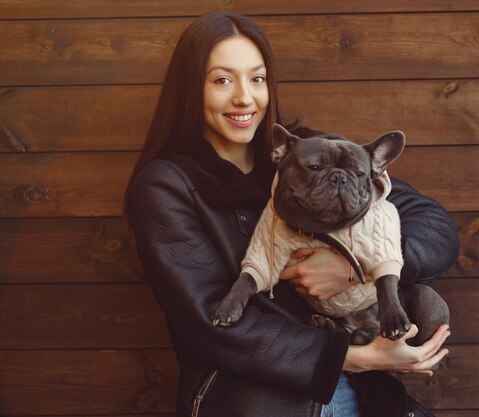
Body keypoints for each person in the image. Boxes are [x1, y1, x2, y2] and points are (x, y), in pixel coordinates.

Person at [125, 11, 459, 417]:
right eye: (222, 80)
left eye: (257, 78)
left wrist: (353, 267)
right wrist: (356, 357)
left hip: (364, 390)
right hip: (259, 400)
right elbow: (206, 322)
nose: (244, 97)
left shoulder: (312, 152)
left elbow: (435, 227)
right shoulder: (165, 186)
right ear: (190, 88)